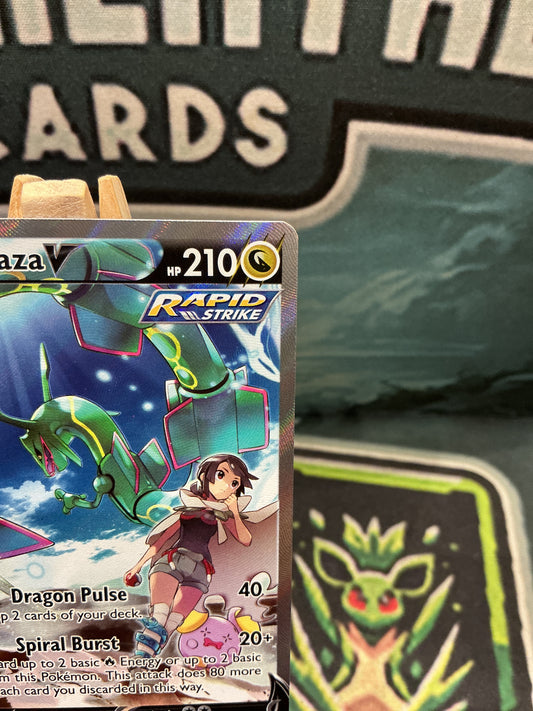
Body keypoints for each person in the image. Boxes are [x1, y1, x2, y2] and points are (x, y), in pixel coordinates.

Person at [123, 453, 259, 657]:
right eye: (221, 475)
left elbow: (246, 539)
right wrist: (137, 566)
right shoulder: (186, 511)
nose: (227, 486)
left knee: (172, 624)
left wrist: (235, 512)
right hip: (173, 561)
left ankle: (143, 660)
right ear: (204, 477)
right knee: (159, 617)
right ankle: (140, 660)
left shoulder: (224, 514)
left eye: (234, 483)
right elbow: (160, 541)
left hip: (200, 570)